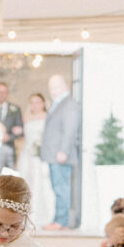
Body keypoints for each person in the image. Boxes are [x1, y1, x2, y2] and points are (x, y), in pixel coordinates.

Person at [40, 74, 80, 230]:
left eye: (56, 87)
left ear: (65, 86)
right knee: (58, 187)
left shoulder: (69, 104)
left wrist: (63, 150)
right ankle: (58, 219)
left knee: (61, 188)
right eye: (51, 88)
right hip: (54, 154)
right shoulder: (58, 103)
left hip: (60, 154)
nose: (53, 91)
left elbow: (69, 130)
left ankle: (61, 221)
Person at [16, 92, 54, 226]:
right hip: (27, 155)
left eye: (38, 102)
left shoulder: (47, 117)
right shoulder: (26, 118)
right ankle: (24, 216)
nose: (35, 105)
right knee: (26, 184)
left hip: (40, 156)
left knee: (41, 183)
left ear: (43, 103)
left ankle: (42, 216)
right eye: (32, 102)